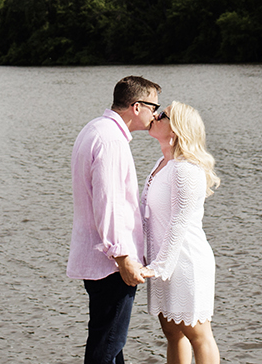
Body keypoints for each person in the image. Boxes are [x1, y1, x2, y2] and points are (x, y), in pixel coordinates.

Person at [69, 75, 162, 364]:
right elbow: (108, 203)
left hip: (98, 257)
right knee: (106, 344)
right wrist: (122, 258)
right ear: (137, 106)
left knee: (110, 343)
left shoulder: (96, 129)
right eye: (154, 107)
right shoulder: (110, 140)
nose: (156, 114)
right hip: (110, 263)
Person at [142, 101, 222, 364]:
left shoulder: (186, 168)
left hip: (186, 261)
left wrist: (160, 266)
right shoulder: (161, 163)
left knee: (198, 334)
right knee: (172, 332)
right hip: (162, 260)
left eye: (162, 114)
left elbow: (180, 221)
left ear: (175, 129)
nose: (154, 115)